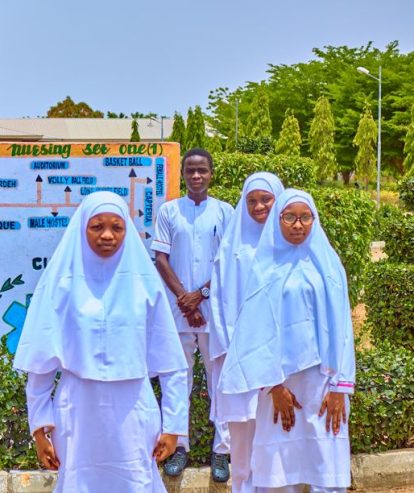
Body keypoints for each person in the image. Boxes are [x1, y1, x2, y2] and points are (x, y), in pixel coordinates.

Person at [14, 191, 189, 493]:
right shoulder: (61, 284)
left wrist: (173, 427)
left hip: (133, 410)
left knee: (135, 482)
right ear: (82, 228)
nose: (107, 235)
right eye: (97, 227)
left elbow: (171, 363)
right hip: (78, 411)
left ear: (127, 231)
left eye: (116, 227)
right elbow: (41, 364)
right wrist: (40, 428)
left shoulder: (146, 286)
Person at [219, 189, 355, 493]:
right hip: (279, 385)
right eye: (290, 217)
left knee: (326, 461)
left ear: (314, 220)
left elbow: (343, 327)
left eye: (305, 217)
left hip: (323, 380)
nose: (297, 225)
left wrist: (338, 388)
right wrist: (273, 386)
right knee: (278, 470)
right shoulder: (264, 267)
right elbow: (253, 331)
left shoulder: (329, 267)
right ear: (278, 220)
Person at [151, 148, 233, 480]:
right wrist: (186, 300)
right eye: (190, 171)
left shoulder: (225, 212)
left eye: (202, 170)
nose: (196, 176)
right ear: (183, 175)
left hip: (214, 312)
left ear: (212, 174)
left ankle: (222, 451)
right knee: (177, 382)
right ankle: (177, 447)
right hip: (177, 312)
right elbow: (160, 259)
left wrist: (201, 296)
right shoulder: (169, 211)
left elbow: (229, 263)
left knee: (221, 383)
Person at [208, 172, 284, 493]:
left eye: (266, 199)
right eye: (251, 200)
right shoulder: (232, 246)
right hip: (238, 356)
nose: (258, 206)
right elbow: (219, 299)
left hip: (277, 361)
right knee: (241, 448)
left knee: (276, 445)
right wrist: (230, 349)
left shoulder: (288, 245)